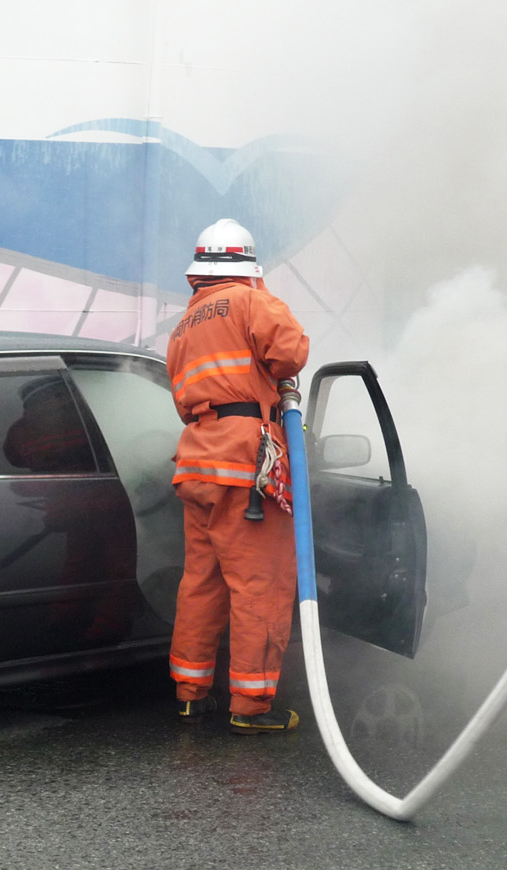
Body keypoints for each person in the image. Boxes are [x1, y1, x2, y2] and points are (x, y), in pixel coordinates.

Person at [166, 218, 310, 733]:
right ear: (249, 267)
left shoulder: (183, 326)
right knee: (259, 585)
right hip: (243, 466)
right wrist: (261, 293)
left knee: (201, 583)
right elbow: (290, 352)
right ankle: (251, 706)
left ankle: (189, 692)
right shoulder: (250, 301)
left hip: (198, 461)